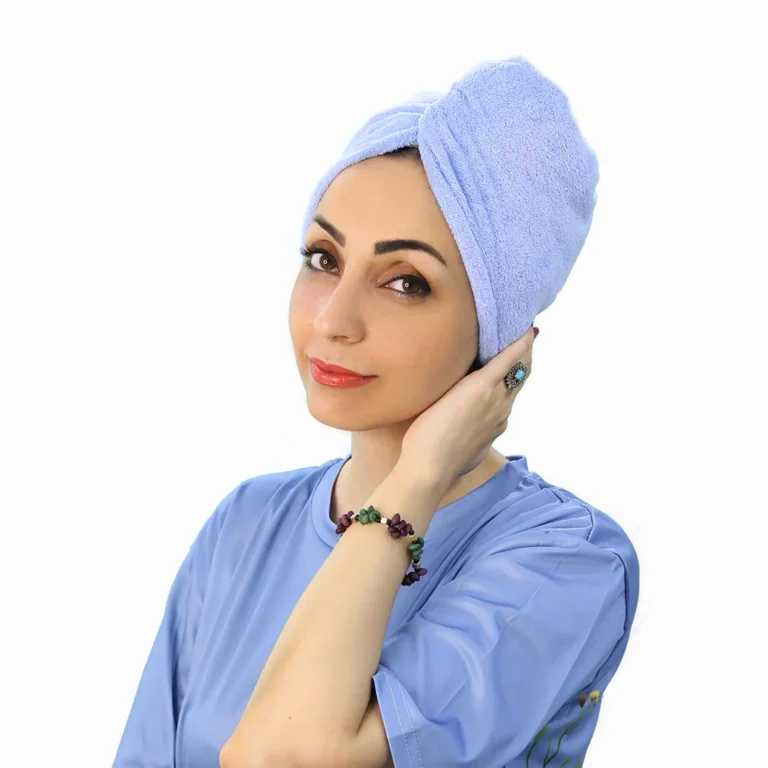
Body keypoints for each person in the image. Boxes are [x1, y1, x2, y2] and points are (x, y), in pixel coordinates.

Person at [113, 57, 639, 768]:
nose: (333, 319)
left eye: (404, 282)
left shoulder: (566, 560)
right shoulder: (244, 526)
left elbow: (286, 756)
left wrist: (420, 476)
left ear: (501, 330)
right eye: (323, 258)